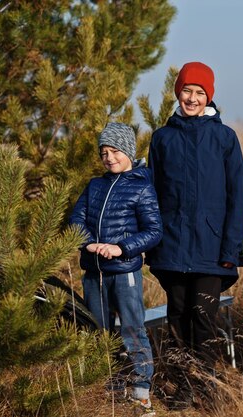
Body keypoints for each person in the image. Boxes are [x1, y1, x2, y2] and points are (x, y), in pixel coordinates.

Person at [146, 61, 243, 408]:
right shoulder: (162, 138)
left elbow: (237, 197)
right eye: (186, 91)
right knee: (176, 319)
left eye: (199, 92)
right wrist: (154, 244)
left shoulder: (224, 138)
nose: (191, 98)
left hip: (211, 248)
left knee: (203, 318)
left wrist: (230, 248)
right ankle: (183, 390)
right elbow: (152, 195)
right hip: (171, 246)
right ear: (178, 93)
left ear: (209, 97)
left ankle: (207, 388)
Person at [69, 122, 163, 412]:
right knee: (100, 331)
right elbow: (76, 221)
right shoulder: (95, 185)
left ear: (129, 152)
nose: (109, 158)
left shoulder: (142, 186)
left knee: (133, 329)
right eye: (104, 152)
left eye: (115, 151)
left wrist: (121, 248)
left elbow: (153, 230)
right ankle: (108, 385)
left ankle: (141, 388)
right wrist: (89, 244)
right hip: (93, 273)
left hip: (124, 273)